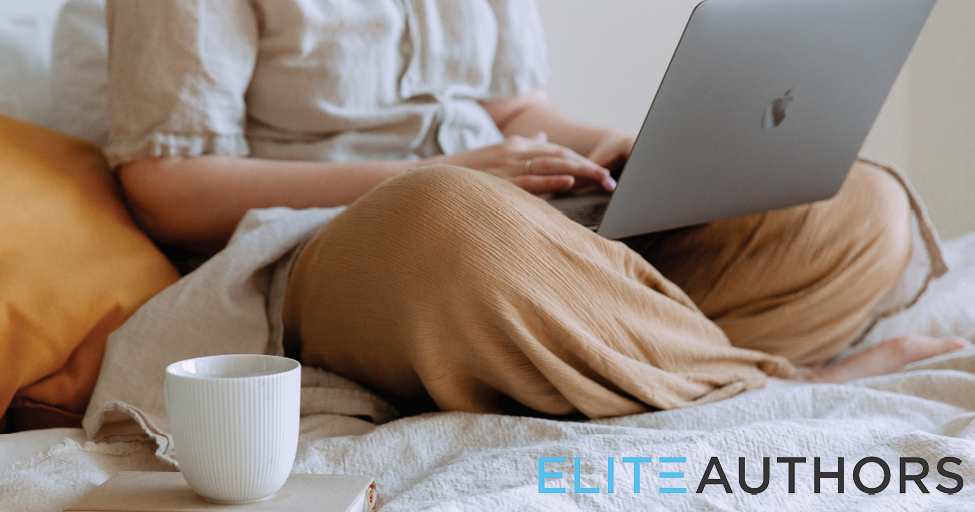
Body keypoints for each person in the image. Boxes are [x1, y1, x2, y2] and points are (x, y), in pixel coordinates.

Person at [105, 0, 968, 417]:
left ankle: (604, 351)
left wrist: (624, 152)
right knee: (447, 216)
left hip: (524, 224)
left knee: (860, 206)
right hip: (360, 241)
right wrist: (447, 172)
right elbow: (167, 185)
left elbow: (520, 111)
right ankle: (788, 384)